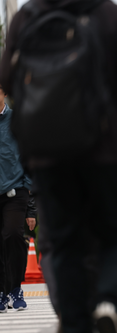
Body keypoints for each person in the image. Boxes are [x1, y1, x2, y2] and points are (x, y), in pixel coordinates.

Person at [0, 1, 117, 332]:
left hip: (48, 151)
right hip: (107, 147)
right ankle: (110, 301)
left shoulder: (29, 15)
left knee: (62, 238)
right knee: (113, 231)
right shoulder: (112, 15)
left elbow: (8, 78)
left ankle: (73, 318)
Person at [0, 86, 32, 313]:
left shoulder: (16, 120)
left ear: (3, 93)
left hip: (15, 191)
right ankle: (2, 292)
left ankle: (15, 289)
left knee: (12, 236)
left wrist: (30, 200)